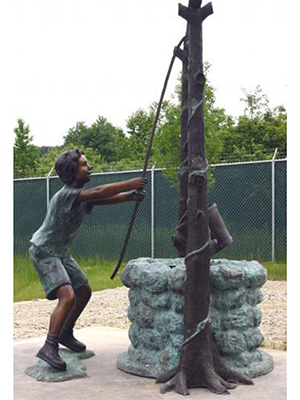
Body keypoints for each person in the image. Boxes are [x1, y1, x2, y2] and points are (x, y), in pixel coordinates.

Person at [28, 148, 147, 371]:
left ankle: (65, 332)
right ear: (72, 171)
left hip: (60, 253)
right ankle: (49, 346)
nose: (89, 167)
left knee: (84, 290)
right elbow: (99, 191)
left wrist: (129, 197)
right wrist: (130, 183)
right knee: (67, 295)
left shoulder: (81, 197)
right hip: (45, 251)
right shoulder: (66, 195)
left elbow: (102, 198)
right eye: (84, 164)